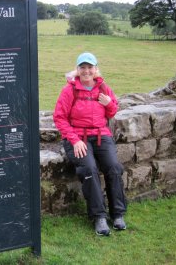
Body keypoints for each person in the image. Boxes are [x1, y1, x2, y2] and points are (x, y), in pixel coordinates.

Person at [53, 52, 127, 236]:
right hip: (77, 137)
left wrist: (109, 103)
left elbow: (112, 112)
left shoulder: (103, 88)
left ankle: (117, 213)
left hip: (102, 134)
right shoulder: (69, 90)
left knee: (114, 167)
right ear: (77, 70)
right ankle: (99, 217)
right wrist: (75, 140)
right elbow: (59, 118)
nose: (86, 71)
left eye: (90, 67)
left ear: (96, 69)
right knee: (89, 169)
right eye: (82, 67)